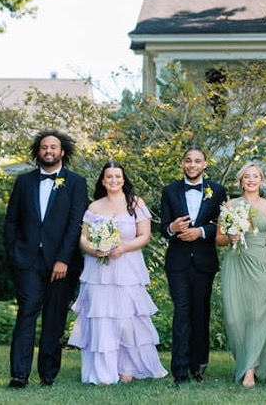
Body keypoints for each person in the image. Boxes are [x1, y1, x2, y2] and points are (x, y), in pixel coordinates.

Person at [68, 162, 168, 384]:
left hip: (127, 267)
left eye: (117, 176)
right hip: (98, 271)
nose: (113, 180)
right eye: (109, 177)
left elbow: (144, 236)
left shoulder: (136, 203)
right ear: (102, 181)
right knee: (101, 316)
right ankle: (104, 371)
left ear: (124, 179)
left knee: (126, 318)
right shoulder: (94, 207)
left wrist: (123, 247)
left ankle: (127, 367)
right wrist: (95, 250)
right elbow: (82, 238)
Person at [4, 130, 88, 388]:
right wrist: (14, 253)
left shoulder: (76, 182)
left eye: (53, 147)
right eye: (44, 147)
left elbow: (76, 223)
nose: (48, 151)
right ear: (38, 151)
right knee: (27, 314)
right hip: (27, 261)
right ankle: (19, 374)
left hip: (62, 263)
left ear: (63, 152)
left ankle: (48, 374)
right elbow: (11, 221)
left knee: (54, 317)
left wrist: (63, 259)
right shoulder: (24, 182)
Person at [159, 146, 227, 386]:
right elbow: (163, 228)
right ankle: (179, 370)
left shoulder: (217, 191)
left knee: (201, 312)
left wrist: (200, 231)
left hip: (204, 261)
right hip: (177, 262)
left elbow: (220, 225)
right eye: (188, 161)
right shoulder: (170, 191)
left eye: (197, 161)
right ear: (182, 163)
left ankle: (198, 366)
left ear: (205, 164)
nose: (192, 165)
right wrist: (173, 229)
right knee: (182, 312)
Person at [215, 163, 266, 388]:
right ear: (241, 181)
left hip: (261, 262)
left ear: (261, 180)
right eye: (247, 177)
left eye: (255, 176)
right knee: (235, 318)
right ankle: (244, 360)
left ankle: (250, 371)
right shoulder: (230, 205)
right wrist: (231, 237)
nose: (251, 180)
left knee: (258, 315)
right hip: (236, 262)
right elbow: (219, 238)